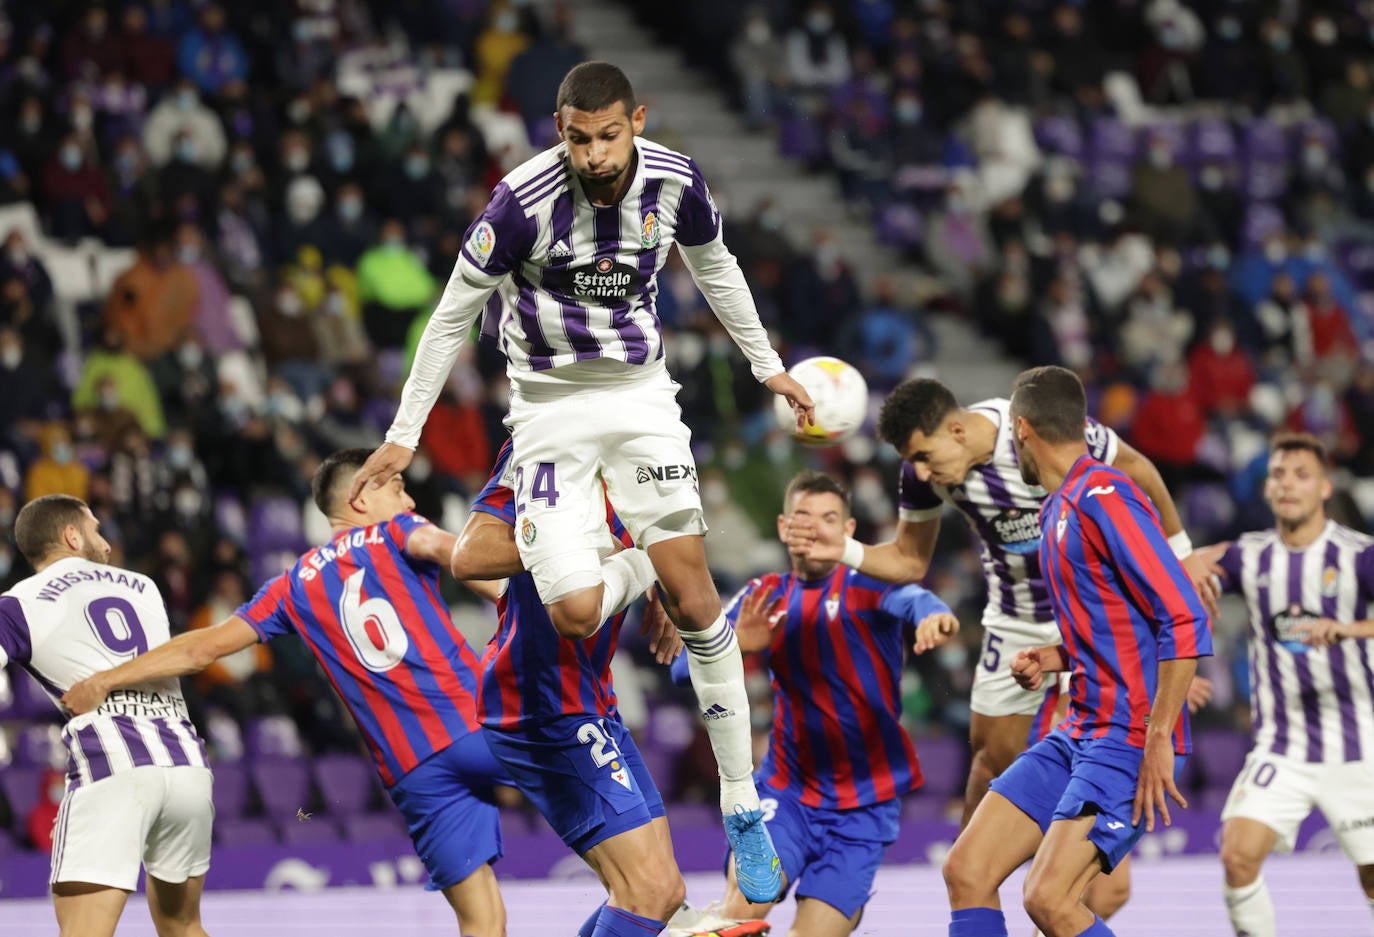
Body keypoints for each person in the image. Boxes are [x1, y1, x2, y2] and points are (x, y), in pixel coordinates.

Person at [347, 60, 811, 900]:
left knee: (697, 595)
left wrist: (766, 364)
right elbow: (450, 316)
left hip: (640, 397)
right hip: (549, 409)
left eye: (608, 136)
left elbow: (716, 266)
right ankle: (637, 565)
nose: (594, 154)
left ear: (637, 121)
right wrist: (402, 437)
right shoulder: (519, 204)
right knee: (573, 610)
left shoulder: (676, 182)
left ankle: (742, 803)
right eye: (578, 139)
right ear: (558, 130)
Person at [785, 376, 1207, 920]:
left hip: (1099, 639)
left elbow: (1143, 483)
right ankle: (989, 887)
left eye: (924, 456)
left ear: (960, 431)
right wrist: (840, 547)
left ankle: (1080, 886)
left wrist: (1181, 557)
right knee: (982, 796)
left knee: (1062, 891)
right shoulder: (1034, 499)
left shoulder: (1068, 458)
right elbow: (910, 560)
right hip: (1025, 625)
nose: (920, 472)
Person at [62, 450, 521, 937]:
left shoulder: (290, 585)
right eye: (396, 487)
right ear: (360, 497)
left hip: (412, 768)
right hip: (480, 726)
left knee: (482, 922)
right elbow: (465, 558)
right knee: (584, 818)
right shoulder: (399, 531)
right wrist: (529, 600)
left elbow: (202, 648)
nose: (407, 499)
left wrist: (104, 680)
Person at [453, 439, 766, 937]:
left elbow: (653, 542)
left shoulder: (635, 449)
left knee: (663, 895)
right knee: (650, 892)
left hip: (592, 699)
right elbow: (470, 557)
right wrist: (593, 554)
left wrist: (658, 578)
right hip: (540, 700)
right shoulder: (542, 443)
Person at [941, 366, 1212, 937]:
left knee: (1050, 899)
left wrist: (1159, 736)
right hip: (1080, 730)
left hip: (1128, 736)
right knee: (967, 869)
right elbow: (1119, 623)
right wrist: (1055, 656)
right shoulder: (1055, 508)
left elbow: (1181, 615)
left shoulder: (1106, 496)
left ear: (1021, 429)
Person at [667, 470, 962, 937]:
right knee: (745, 902)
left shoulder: (871, 583)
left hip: (866, 807)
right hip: (788, 791)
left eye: (828, 519)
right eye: (804, 516)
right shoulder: (765, 595)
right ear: (784, 528)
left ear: (848, 531)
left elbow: (916, 599)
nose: (815, 528)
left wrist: (935, 616)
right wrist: (735, 645)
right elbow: (681, 669)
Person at [0, 494, 212, 937]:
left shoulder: (19, 603)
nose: (107, 542)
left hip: (113, 766)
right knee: (183, 925)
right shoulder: (144, 586)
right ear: (71, 535)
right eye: (96, 529)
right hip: (187, 767)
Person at [1192, 433, 1374, 937]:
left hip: (1358, 744)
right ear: (1267, 488)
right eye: (1278, 475)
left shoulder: (1358, 555)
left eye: (1301, 475)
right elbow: (1182, 566)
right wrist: (1185, 577)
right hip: (1281, 746)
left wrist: (1352, 629)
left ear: (1324, 487)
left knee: (1372, 878)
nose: (1288, 485)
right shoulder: (1248, 556)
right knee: (1237, 856)